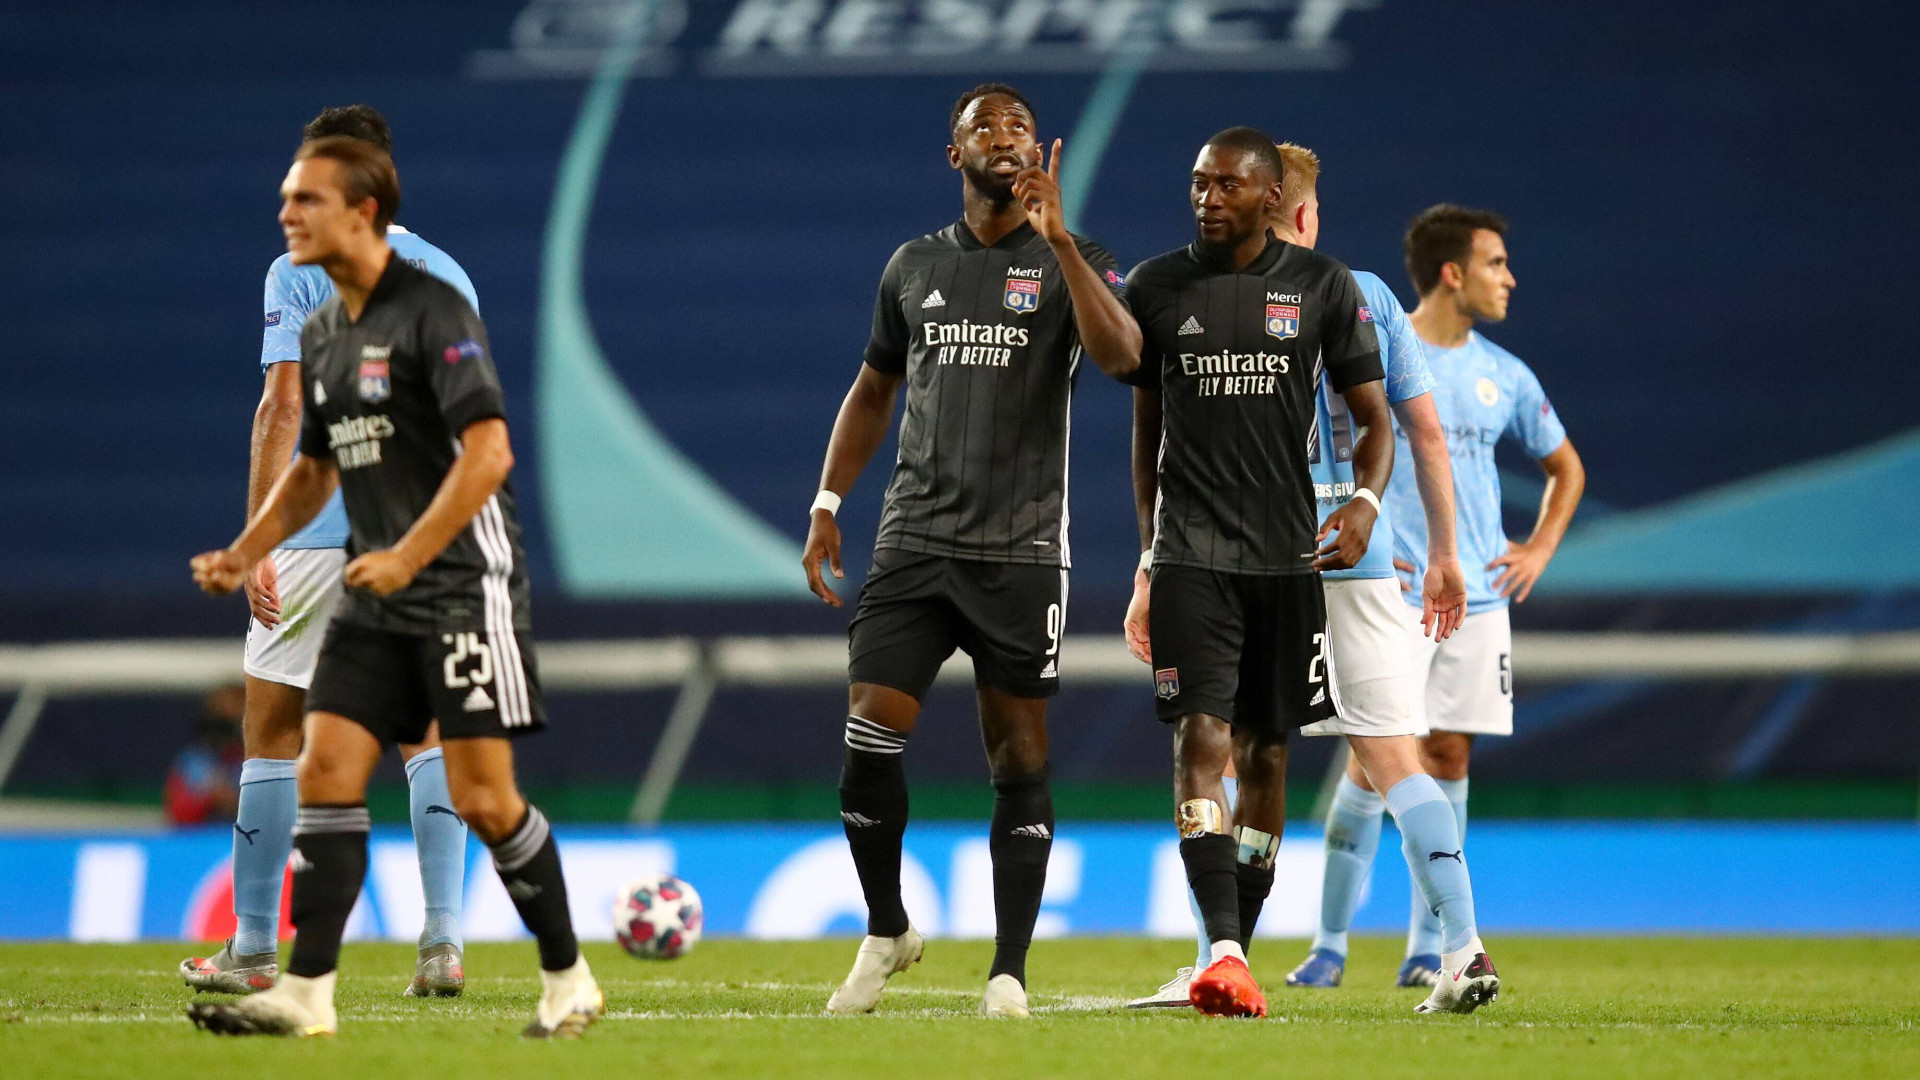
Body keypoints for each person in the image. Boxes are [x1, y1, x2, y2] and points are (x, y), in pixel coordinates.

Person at [186, 136, 600, 1039]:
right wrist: (246, 546)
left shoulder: (434, 309)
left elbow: (489, 451)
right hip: (372, 571)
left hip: (455, 573)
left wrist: (412, 554)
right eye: (287, 198)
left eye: (307, 199)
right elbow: (315, 464)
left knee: (488, 794)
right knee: (329, 767)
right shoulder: (327, 324)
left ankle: (568, 975)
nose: (287, 215)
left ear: (363, 209)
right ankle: (305, 991)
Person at [801, 82, 1140, 1019]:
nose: (1006, 137)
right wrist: (830, 499)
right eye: (985, 127)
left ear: (1039, 155)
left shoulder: (1079, 259)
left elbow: (1124, 358)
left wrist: (1063, 240)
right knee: (868, 733)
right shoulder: (912, 266)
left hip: (1022, 551)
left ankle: (1008, 972)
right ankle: (885, 927)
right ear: (955, 156)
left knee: (1017, 757)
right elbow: (873, 390)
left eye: (1021, 128)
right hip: (913, 539)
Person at [1126, 142, 1486, 1011]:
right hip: (1347, 553)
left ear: (1268, 201)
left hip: (1253, 547)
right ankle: (1442, 943)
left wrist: (1148, 563)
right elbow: (1418, 432)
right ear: (1308, 211)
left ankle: (1272, 948)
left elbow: (1161, 440)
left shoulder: (1228, 289)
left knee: (1240, 754)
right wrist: (1439, 547)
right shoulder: (1359, 292)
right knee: (1377, 755)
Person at [182, 105, 471, 1001]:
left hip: (315, 532)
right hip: (419, 534)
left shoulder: (300, 267)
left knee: (272, 729)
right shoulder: (448, 271)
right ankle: (442, 944)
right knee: (424, 733)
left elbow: (282, 404)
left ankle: (258, 946)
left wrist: (254, 537)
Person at [1320, 204, 1585, 987]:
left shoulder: (1505, 374)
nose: (1509, 278)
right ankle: (1328, 946)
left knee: (1446, 753)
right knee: (1372, 759)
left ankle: (1426, 948)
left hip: (1474, 596)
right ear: (1452, 272)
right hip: (1390, 588)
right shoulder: (1374, 351)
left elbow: (1565, 469)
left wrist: (1536, 547)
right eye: (1496, 263)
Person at [166, 686, 246, 826]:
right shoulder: (193, 761)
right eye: (220, 723)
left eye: (232, 723)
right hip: (200, 839)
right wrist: (208, 798)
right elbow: (176, 814)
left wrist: (239, 800)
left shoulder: (260, 762)